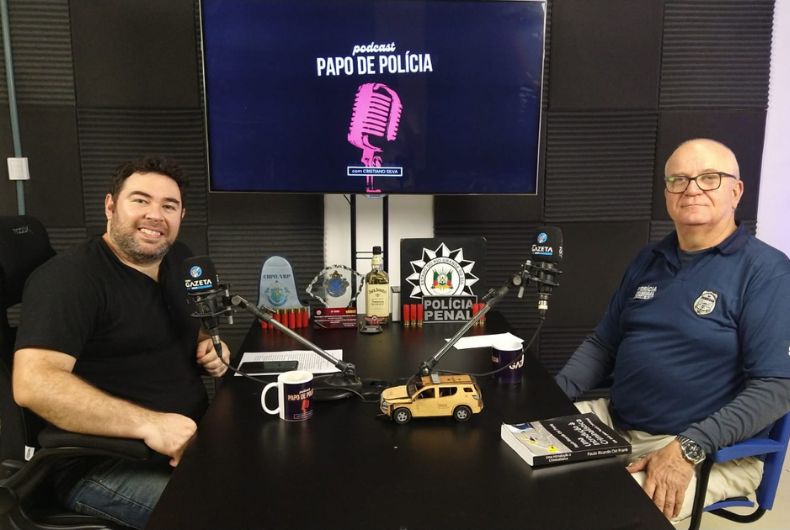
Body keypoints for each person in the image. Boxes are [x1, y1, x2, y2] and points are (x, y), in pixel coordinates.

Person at [555, 138, 790, 523]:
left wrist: (688, 447)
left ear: (736, 191)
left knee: (608, 517)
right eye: (678, 179)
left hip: (703, 449)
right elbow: (603, 344)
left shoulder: (767, 272)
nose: (691, 189)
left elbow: (777, 386)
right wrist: (552, 398)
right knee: (513, 450)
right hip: (615, 422)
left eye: (709, 178)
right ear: (666, 193)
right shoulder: (649, 259)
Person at [12, 156, 230, 529]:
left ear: (181, 215)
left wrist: (210, 344)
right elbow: (33, 383)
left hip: (187, 442)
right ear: (111, 206)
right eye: (140, 200)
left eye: (169, 206)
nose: (155, 215)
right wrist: (151, 425)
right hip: (102, 466)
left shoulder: (179, 258)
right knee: (235, 514)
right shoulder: (68, 280)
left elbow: (177, 329)